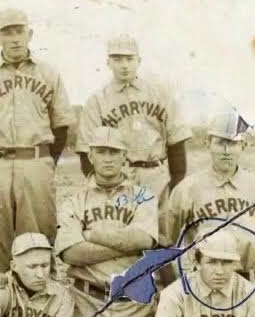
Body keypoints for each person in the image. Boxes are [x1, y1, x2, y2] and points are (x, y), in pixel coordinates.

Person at [0, 8, 73, 270]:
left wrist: (45, 162)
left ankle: (39, 291)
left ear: (29, 34)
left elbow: (61, 126)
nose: (14, 39)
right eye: (7, 33)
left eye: (19, 31)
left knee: (38, 234)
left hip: (35, 160)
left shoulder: (49, 73)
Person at [57, 127, 159, 317]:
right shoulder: (74, 201)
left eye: (114, 152)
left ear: (125, 156)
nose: (108, 158)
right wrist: (124, 246)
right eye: (101, 151)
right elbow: (71, 253)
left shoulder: (143, 196)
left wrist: (92, 235)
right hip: (88, 302)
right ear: (90, 155)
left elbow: (144, 239)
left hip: (133, 304)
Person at [161, 111, 255, 303]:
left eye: (233, 143)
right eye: (220, 143)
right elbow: (164, 243)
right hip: (201, 285)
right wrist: (172, 287)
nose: (226, 151)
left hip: (245, 283)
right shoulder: (188, 188)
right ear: (208, 144)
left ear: (243, 146)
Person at [76, 34, 192, 208]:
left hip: (157, 175)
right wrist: (102, 187)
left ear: (139, 60)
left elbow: (177, 143)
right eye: (117, 59)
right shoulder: (97, 101)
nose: (124, 65)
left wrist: (176, 184)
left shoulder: (160, 94)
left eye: (129, 59)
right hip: (117, 178)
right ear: (108, 62)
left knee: (160, 225)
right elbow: (86, 151)